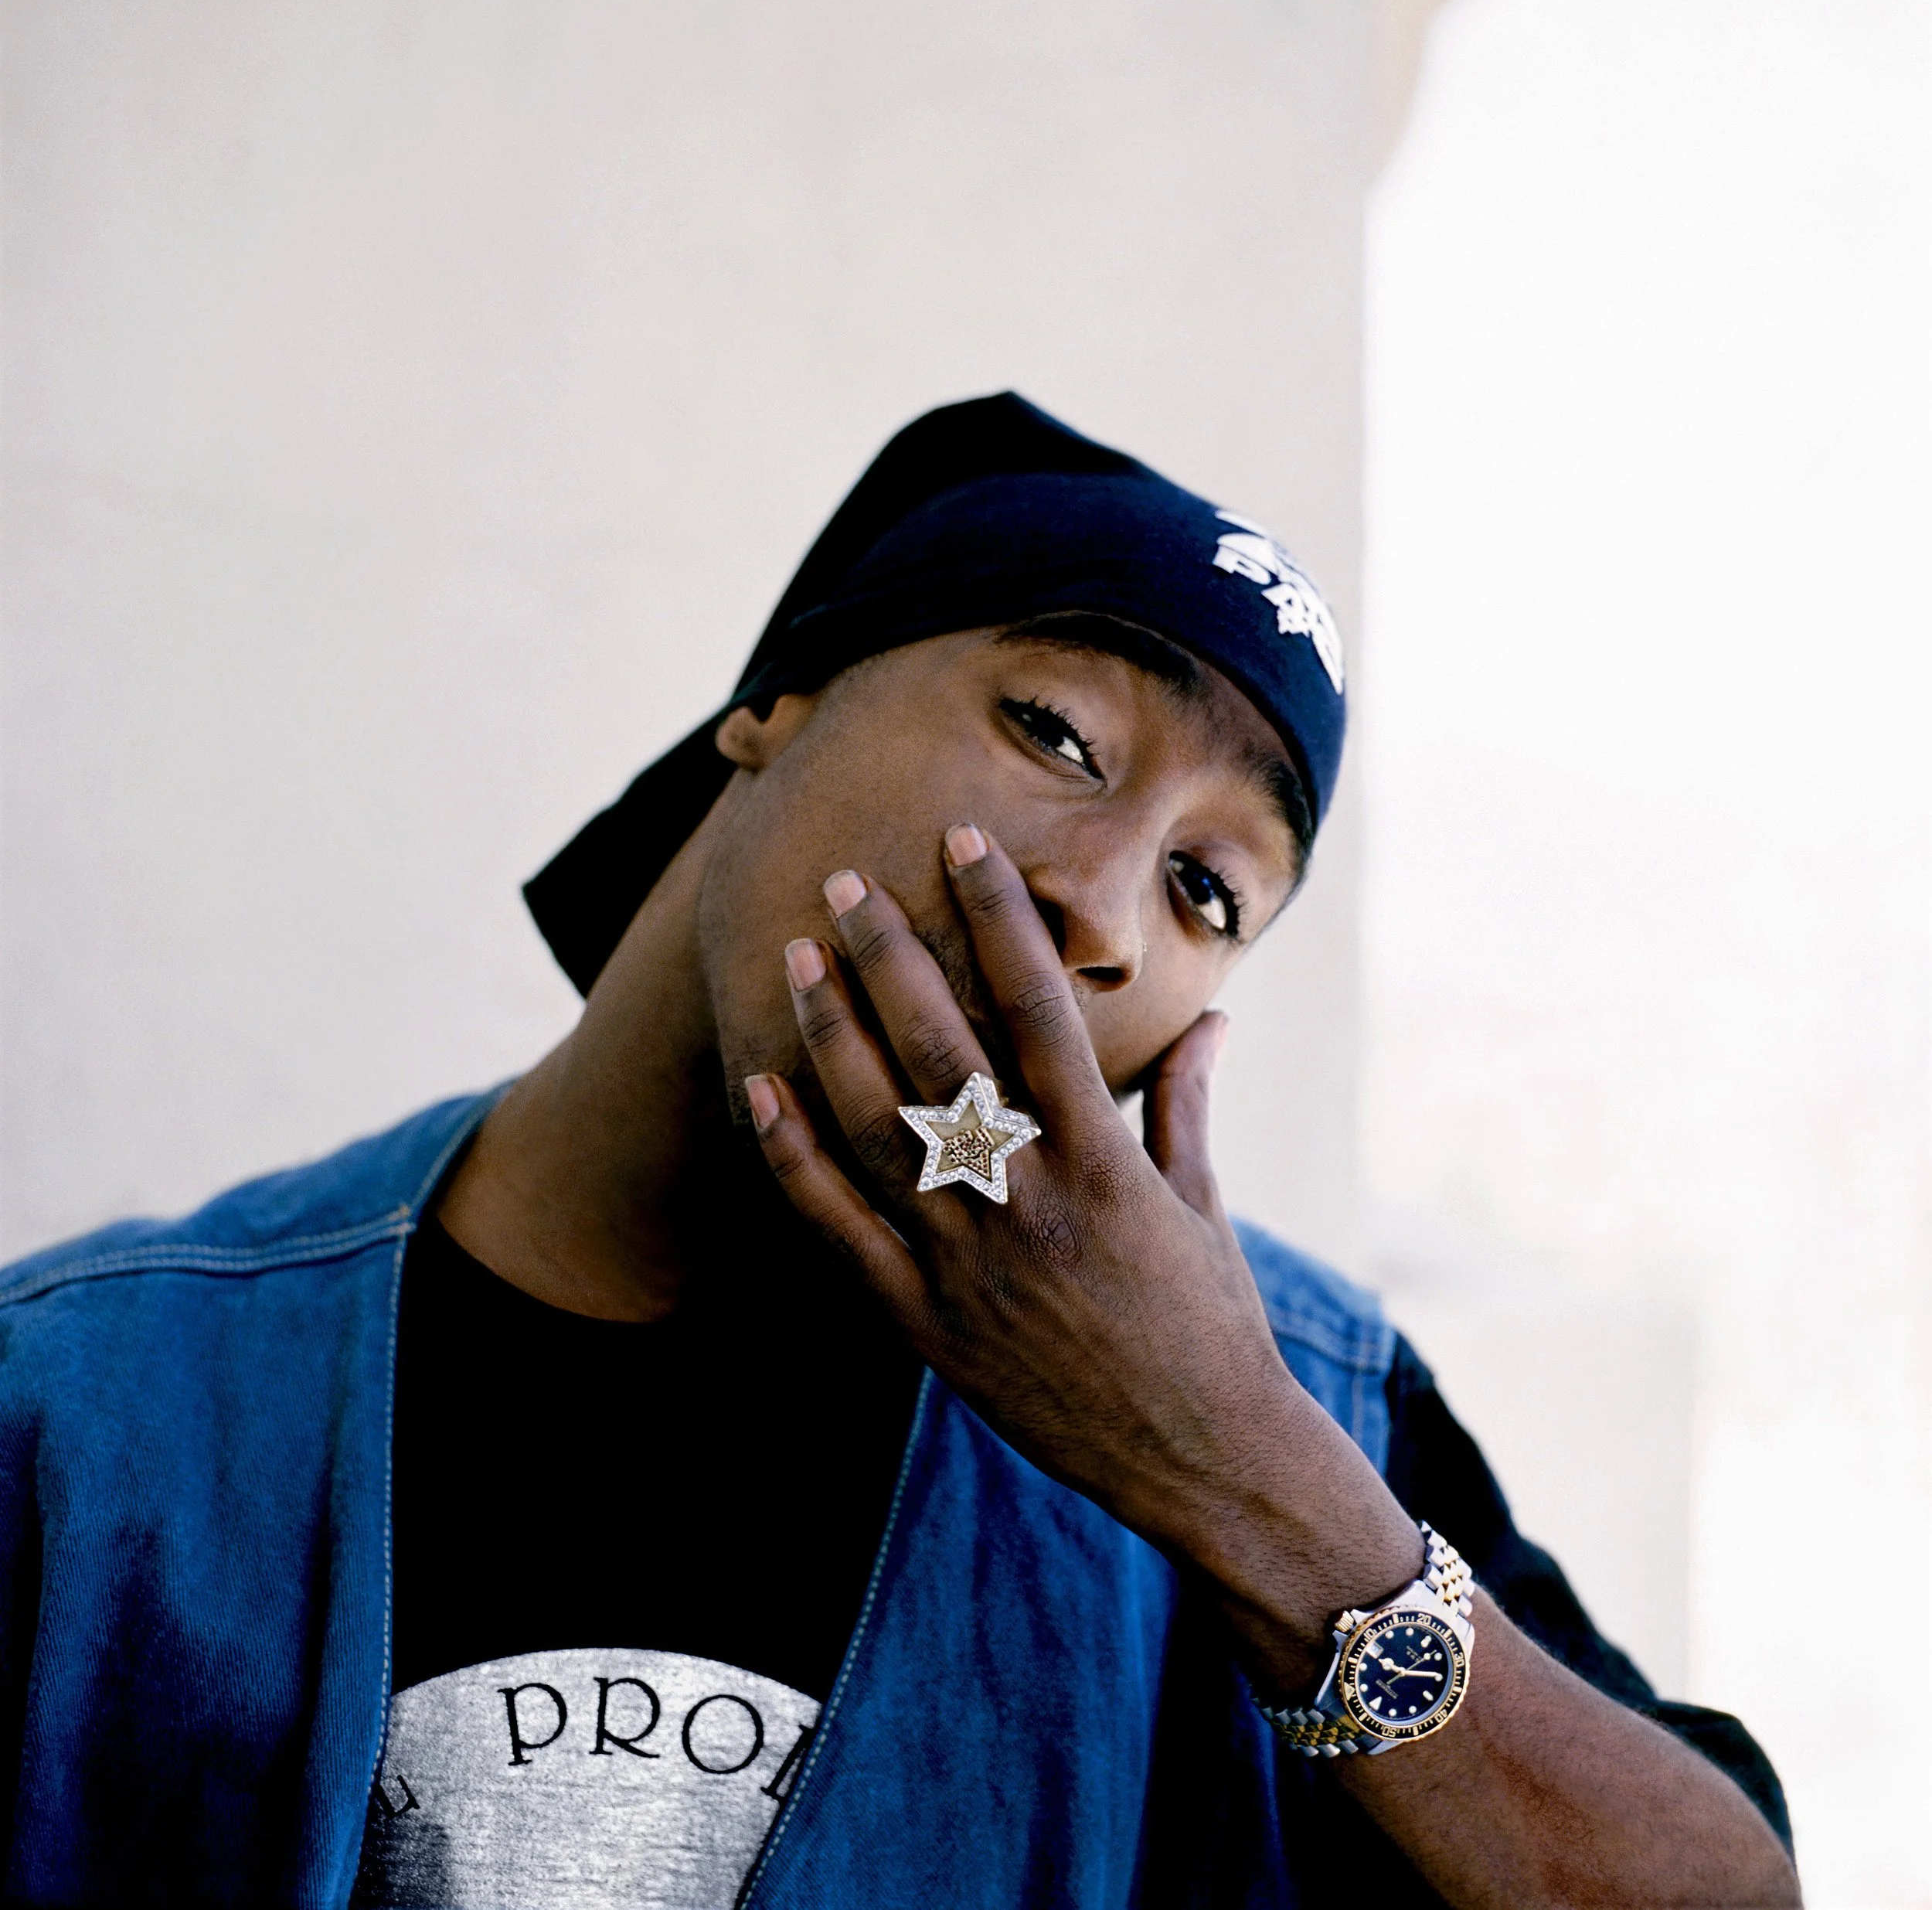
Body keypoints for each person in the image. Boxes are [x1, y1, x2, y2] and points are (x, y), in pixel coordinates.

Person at [0, 394, 1798, 1909]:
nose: (1098, 908)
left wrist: (1238, 1476)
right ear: (779, 699)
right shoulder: (88, 1408)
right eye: (1056, 732)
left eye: (1206, 889)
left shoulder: (1305, 1408)